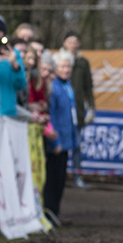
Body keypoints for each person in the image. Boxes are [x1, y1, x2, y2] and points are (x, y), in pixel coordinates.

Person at [44, 50, 78, 219]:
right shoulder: (54, 87)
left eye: (69, 66)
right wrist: (55, 141)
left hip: (66, 139)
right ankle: (49, 211)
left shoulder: (68, 86)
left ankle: (55, 212)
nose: (66, 69)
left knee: (61, 178)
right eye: (63, 66)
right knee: (52, 178)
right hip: (56, 141)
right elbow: (53, 115)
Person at [62, 32, 95, 189]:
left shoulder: (83, 62)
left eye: (75, 42)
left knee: (77, 146)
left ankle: (77, 176)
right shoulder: (58, 60)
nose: (73, 45)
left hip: (78, 111)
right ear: (64, 43)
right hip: (61, 110)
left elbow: (88, 87)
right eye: (70, 42)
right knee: (59, 146)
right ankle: (58, 177)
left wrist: (91, 108)